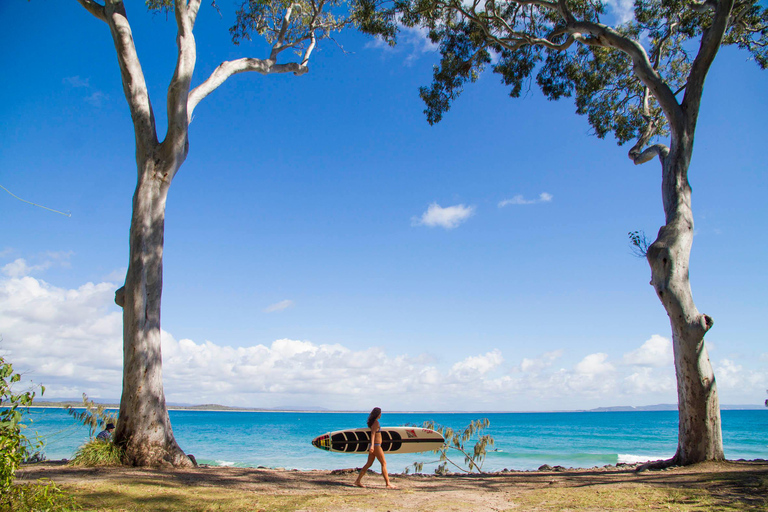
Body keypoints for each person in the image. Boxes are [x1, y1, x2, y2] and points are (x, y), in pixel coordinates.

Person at [354, 407, 396, 489]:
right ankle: (388, 484)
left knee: (369, 464)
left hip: (374, 446)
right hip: (376, 446)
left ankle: (357, 481)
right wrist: (372, 446)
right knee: (384, 463)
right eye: (380, 413)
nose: (381, 414)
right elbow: (373, 434)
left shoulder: (373, 422)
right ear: (378, 414)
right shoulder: (376, 423)